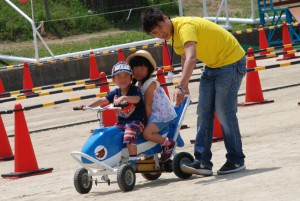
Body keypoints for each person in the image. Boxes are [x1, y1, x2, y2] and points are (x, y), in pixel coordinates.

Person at [141, 7, 246, 175]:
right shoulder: (173, 37)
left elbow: (191, 57)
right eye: (155, 32)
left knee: (224, 112)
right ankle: (202, 162)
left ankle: (236, 160)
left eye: (161, 27)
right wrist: (186, 84)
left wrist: (181, 86)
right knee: (203, 112)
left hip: (231, 62)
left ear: (166, 18)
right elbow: (184, 57)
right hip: (212, 67)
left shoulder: (185, 27)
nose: (161, 33)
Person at [78, 61, 147, 171]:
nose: (123, 79)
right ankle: (111, 157)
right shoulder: (115, 93)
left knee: (128, 135)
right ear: (114, 80)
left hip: (136, 121)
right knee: (110, 133)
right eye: (119, 77)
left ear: (131, 78)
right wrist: (87, 106)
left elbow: (137, 99)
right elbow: (102, 100)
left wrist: (124, 98)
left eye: (126, 76)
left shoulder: (134, 90)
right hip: (121, 122)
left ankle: (133, 160)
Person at [126, 50, 177, 162]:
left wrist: (144, 121)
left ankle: (167, 143)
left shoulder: (150, 84)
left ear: (148, 70)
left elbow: (148, 105)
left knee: (146, 133)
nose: (138, 71)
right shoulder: (135, 85)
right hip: (151, 114)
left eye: (142, 68)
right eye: (135, 68)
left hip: (160, 115)